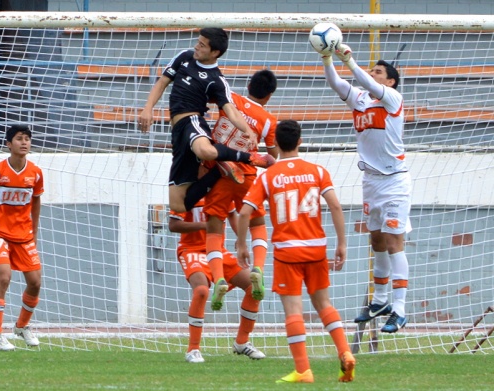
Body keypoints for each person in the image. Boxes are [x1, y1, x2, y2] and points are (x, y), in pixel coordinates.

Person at [236, 120, 355, 383]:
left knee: (293, 311)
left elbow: (245, 212)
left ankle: (303, 370)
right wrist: (342, 244)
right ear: (300, 141)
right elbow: (335, 206)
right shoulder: (317, 171)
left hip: (287, 252)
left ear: (275, 143)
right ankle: (345, 352)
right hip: (316, 248)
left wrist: (242, 245)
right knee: (324, 304)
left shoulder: (268, 176)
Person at [319, 41, 412, 333]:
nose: (374, 74)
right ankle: (380, 300)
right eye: (373, 70)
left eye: (379, 72)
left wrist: (350, 62)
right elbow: (335, 83)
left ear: (391, 81)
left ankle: (399, 309)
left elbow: (363, 79)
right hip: (370, 181)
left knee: (395, 242)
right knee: (376, 241)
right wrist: (326, 58)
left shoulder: (393, 99)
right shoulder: (360, 99)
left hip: (395, 180)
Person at [139, 27, 274, 214]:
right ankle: (218, 171)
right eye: (198, 42)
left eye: (202, 45)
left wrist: (248, 131)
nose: (196, 47)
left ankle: (248, 158)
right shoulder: (184, 57)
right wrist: (148, 109)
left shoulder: (217, 80)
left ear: (215, 52)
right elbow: (161, 82)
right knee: (179, 206)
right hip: (178, 133)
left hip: (192, 121)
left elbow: (230, 110)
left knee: (205, 151)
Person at [203, 69, 280, 311]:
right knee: (258, 224)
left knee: (214, 228)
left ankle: (218, 279)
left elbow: (206, 100)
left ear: (248, 86)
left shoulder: (232, 99)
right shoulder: (269, 120)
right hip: (247, 174)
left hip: (218, 171)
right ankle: (258, 267)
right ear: (269, 95)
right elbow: (273, 155)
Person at [0, 124, 44, 351]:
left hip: (24, 236)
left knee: (35, 283)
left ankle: (22, 327)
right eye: (19, 138)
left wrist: (34, 230)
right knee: (4, 277)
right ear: (8, 144)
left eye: (27, 139)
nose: (24, 142)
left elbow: (35, 201)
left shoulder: (35, 172)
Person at [169, 198, 265, 363]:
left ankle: (241, 342)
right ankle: (193, 349)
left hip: (217, 250)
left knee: (254, 286)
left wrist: (240, 240)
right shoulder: (187, 192)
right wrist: (206, 226)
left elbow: (232, 215)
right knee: (201, 290)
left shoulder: (221, 190)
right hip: (191, 250)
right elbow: (173, 225)